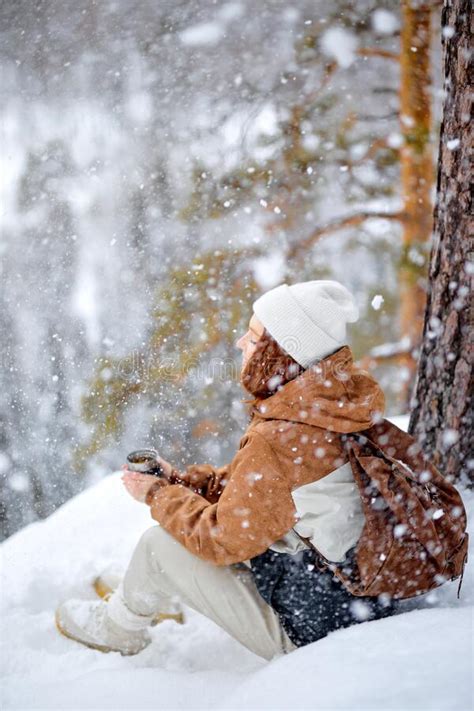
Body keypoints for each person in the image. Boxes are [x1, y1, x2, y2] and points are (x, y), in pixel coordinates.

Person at [55, 280, 401, 659]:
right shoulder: (331, 407)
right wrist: (181, 482)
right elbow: (258, 491)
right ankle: (158, 587)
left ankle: (119, 628)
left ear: (280, 353)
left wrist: (158, 494)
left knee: (157, 546)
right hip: (352, 598)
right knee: (211, 539)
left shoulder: (280, 437)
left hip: (313, 632)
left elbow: (222, 539)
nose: (239, 343)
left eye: (252, 337)